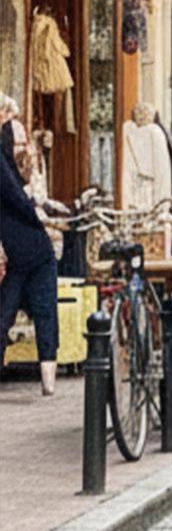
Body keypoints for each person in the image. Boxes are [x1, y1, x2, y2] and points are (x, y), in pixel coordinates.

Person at [1, 147, 59, 395]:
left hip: (23, 251)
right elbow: (15, 196)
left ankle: (49, 382)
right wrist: (37, 212)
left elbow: (15, 196)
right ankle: (48, 383)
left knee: (14, 313)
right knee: (42, 313)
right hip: (25, 250)